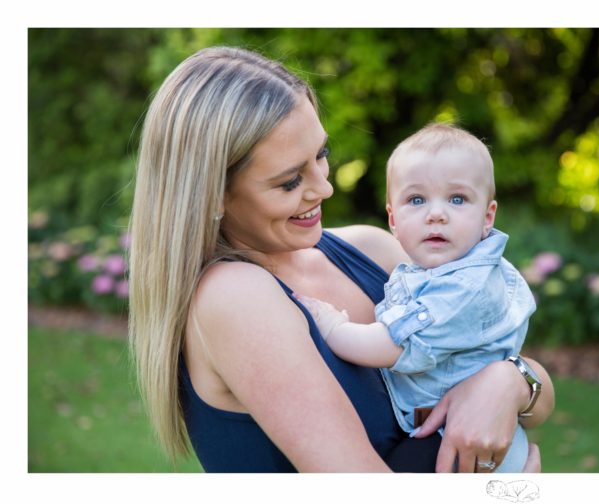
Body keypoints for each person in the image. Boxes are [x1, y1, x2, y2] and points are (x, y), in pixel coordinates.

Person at [127, 46, 554, 473]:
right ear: (213, 193)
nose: (323, 189)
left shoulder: (372, 251)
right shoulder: (234, 297)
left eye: (321, 156)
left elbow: (520, 375)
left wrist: (509, 381)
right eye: (290, 181)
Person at [296, 123, 535, 473]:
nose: (436, 213)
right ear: (393, 219)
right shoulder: (426, 273)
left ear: (488, 217)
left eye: (457, 199)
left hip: (463, 445)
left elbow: (392, 345)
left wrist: (332, 325)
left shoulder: (465, 287)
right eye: (416, 199)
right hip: (454, 433)